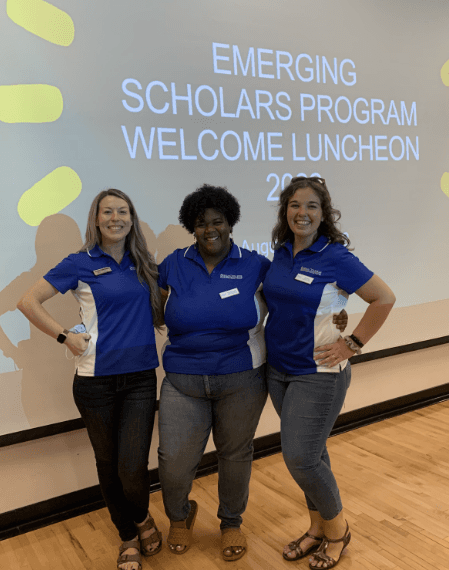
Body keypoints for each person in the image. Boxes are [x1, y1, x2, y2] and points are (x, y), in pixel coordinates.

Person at [17, 189, 163, 570]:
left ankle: (142, 515)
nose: (116, 218)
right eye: (108, 211)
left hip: (140, 379)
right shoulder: (79, 262)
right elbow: (27, 301)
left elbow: (162, 307)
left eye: (123, 211)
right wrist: (65, 336)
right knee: (108, 464)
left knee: (132, 467)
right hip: (95, 383)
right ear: (96, 219)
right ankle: (128, 534)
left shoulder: (144, 263)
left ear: (132, 218)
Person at [263, 177, 396, 570]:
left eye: (311, 206)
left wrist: (353, 343)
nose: (302, 212)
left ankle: (337, 531)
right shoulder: (281, 253)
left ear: (324, 214)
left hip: (318, 373)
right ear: (285, 210)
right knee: (313, 454)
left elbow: (384, 297)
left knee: (300, 457)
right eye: (294, 204)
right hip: (279, 370)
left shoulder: (335, 257)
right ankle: (316, 527)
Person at [156, 184, 270, 562]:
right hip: (182, 380)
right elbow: (154, 309)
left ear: (230, 223)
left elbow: (288, 304)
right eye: (201, 223)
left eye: (217, 221)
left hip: (241, 379)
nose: (210, 229)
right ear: (192, 226)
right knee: (173, 462)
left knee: (235, 455)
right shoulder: (173, 264)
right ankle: (180, 515)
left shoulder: (254, 264)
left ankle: (231, 522)